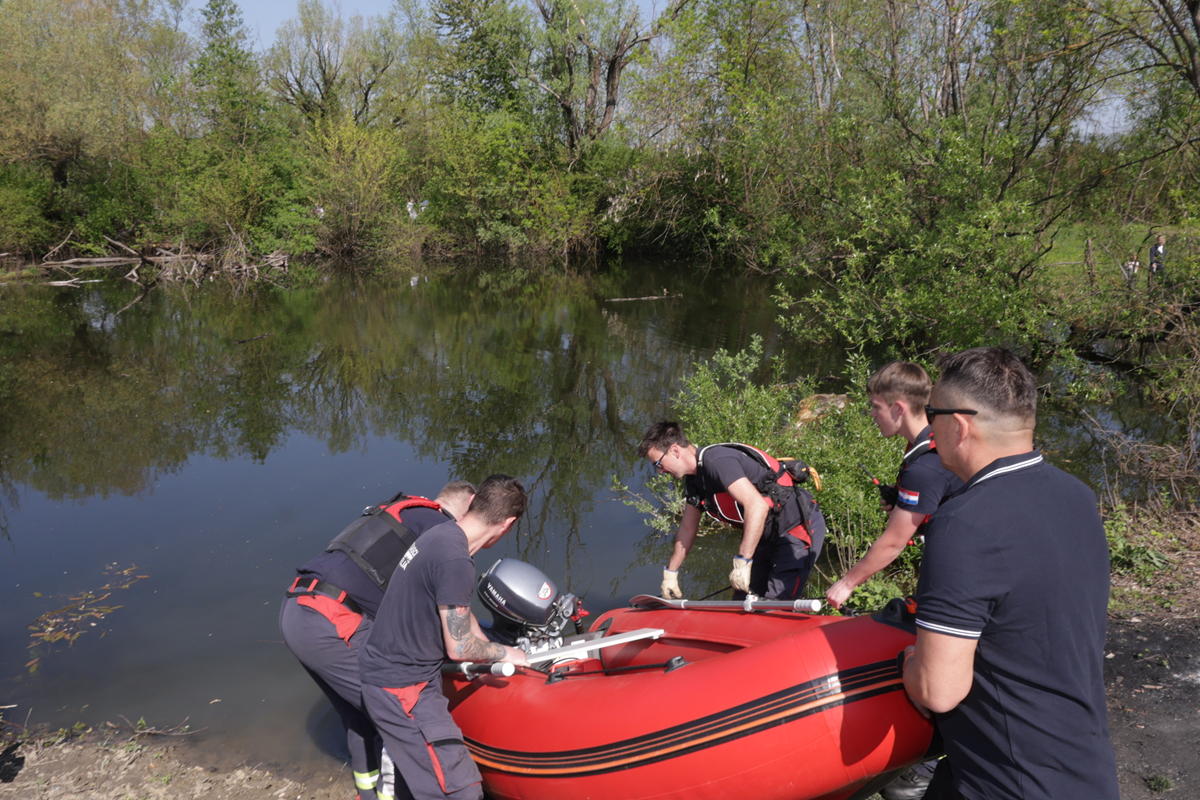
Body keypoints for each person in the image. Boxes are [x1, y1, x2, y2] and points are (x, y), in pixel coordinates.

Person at [901, 347, 1119, 800]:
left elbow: (937, 690)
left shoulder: (966, 522)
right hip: (1084, 768)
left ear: (958, 426)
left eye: (932, 413)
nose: (927, 425)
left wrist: (909, 664)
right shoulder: (1076, 496)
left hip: (1007, 781)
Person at [280, 481, 476, 800]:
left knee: (359, 715)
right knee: (392, 708)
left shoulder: (404, 510)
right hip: (333, 617)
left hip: (298, 607)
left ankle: (368, 793)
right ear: (469, 505)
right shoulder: (441, 529)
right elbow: (446, 606)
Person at [359, 475, 529, 800]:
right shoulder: (455, 559)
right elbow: (461, 644)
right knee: (460, 789)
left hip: (392, 674)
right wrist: (509, 655)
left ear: (473, 502)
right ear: (508, 524)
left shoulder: (442, 535)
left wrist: (495, 646)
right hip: (402, 686)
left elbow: (463, 622)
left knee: (416, 783)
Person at [638, 422, 825, 601]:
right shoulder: (695, 482)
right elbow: (687, 528)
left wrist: (743, 561)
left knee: (776, 606)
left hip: (796, 531)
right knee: (743, 600)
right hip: (764, 538)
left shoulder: (718, 462)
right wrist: (671, 573)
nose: (660, 472)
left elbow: (757, 506)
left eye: (658, 464)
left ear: (675, 450)